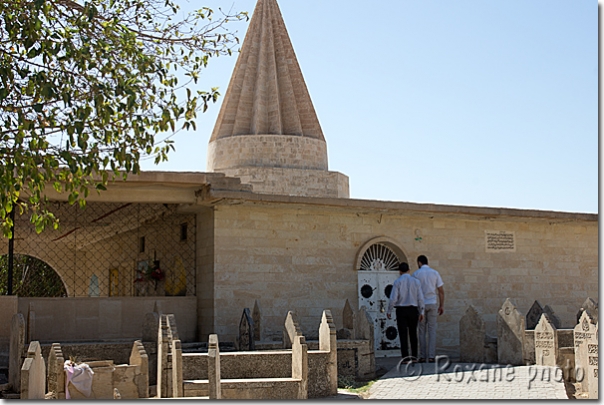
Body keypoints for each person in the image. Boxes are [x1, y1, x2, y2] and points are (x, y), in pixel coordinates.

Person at [387, 262, 424, 362]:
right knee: (413, 334)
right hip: (413, 309)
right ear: (409, 270)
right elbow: (420, 298)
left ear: (400, 271)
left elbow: (393, 298)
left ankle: (405, 357)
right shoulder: (416, 282)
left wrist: (389, 310)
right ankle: (414, 356)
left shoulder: (397, 282)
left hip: (401, 310)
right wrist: (422, 311)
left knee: (403, 334)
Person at [412, 255, 445, 363]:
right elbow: (440, 290)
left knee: (421, 331)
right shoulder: (435, 273)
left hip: (421, 304)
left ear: (419, 263)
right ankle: (431, 356)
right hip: (432, 303)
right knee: (432, 331)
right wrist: (441, 305)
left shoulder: (416, 274)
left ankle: (422, 356)